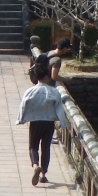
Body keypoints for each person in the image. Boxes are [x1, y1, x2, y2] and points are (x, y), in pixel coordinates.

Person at [16, 57, 67, 185]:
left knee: (33, 146)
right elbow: (59, 108)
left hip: (35, 122)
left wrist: (20, 119)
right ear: (47, 76)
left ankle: (35, 165)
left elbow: (23, 105)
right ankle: (43, 174)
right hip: (49, 123)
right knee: (46, 147)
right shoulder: (54, 91)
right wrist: (63, 123)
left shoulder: (30, 91)